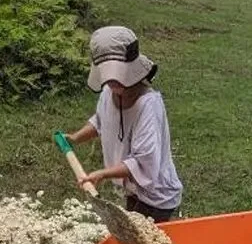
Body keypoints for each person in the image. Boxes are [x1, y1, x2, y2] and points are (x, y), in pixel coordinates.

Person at [65, 26, 183, 223]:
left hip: (157, 196)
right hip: (132, 189)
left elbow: (143, 160)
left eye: (117, 77)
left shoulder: (148, 105)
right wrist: (77, 137)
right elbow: (101, 121)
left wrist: (103, 174)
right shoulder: (107, 94)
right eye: (109, 78)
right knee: (133, 235)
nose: (113, 83)